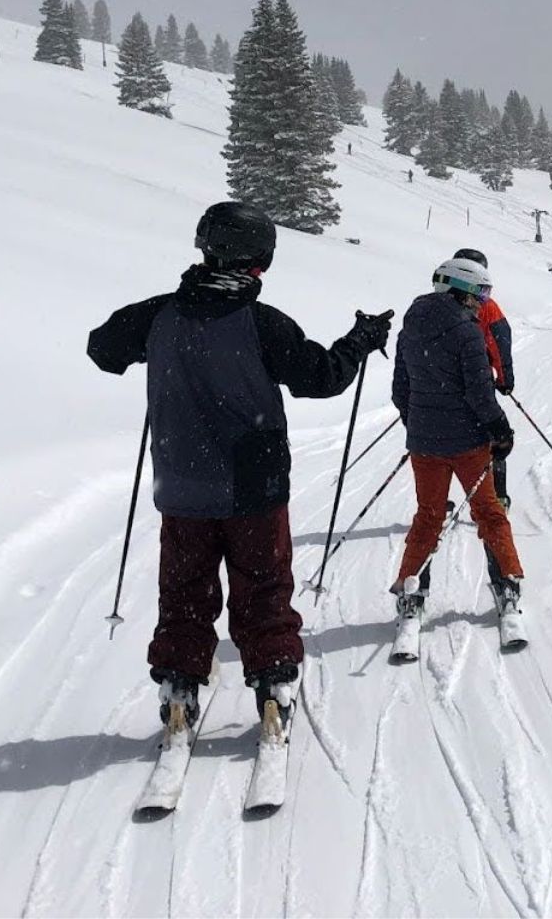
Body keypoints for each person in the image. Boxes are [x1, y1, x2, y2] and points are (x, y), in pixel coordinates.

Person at [87, 201, 392, 731]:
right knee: (264, 586)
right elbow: (321, 378)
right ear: (259, 262)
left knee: (185, 591)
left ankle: (180, 685)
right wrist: (361, 340)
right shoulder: (262, 324)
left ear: (206, 247)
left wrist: (156, 352)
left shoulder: (158, 314)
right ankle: (273, 682)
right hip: (255, 485)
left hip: (181, 486)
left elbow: (102, 349)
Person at [390, 256, 523, 618]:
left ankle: (411, 591)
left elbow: (400, 391)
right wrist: (500, 430)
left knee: (428, 516)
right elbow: (480, 394)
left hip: (424, 445)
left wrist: (418, 424)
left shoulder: (409, 329)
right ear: (461, 289)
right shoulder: (466, 332)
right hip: (468, 444)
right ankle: (508, 583)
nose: (483, 300)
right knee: (490, 513)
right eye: (480, 292)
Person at [453, 248, 515, 508]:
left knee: (436, 443)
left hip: (437, 383)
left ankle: (433, 503)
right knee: (495, 437)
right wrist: (504, 379)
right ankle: (496, 497)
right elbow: (499, 344)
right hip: (477, 381)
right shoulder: (487, 306)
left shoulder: (433, 303)